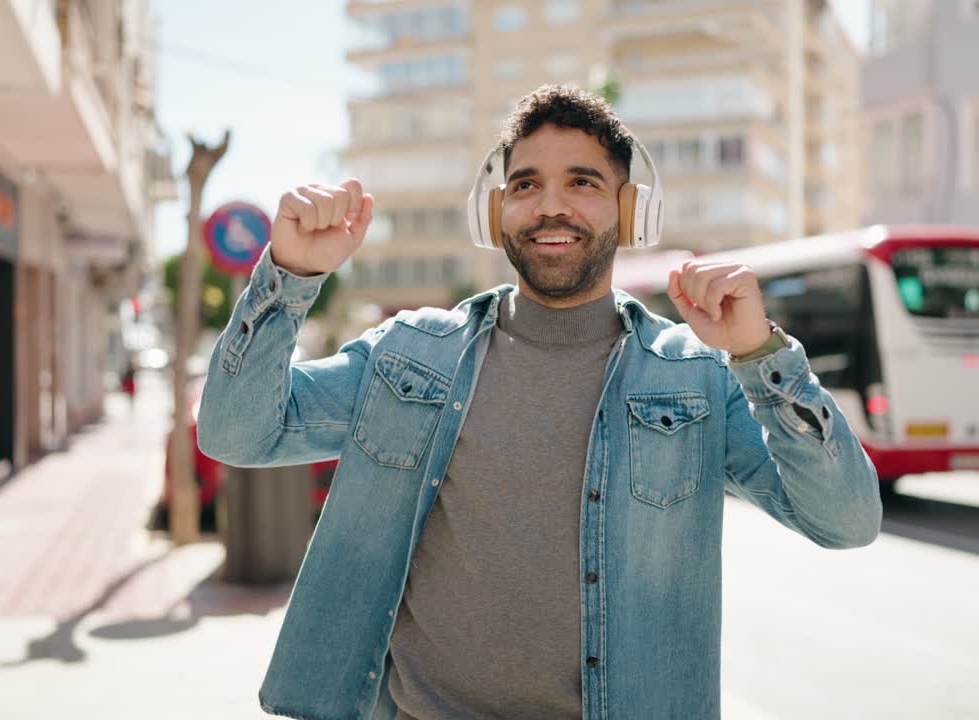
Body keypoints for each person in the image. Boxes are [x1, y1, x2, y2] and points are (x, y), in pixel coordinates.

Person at [197, 85, 882, 720]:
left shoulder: (696, 378)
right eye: (526, 185)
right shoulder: (409, 356)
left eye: (582, 182)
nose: (551, 205)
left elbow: (845, 520)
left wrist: (762, 359)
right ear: (494, 213)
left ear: (631, 210)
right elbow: (237, 432)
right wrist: (289, 274)